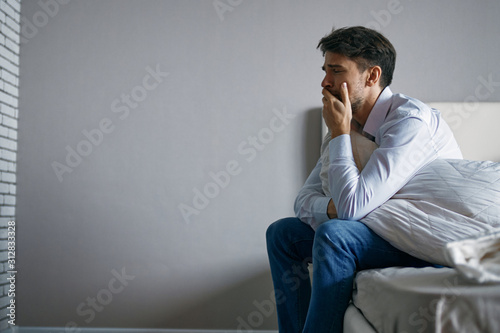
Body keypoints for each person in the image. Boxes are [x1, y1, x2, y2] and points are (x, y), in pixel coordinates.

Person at [266, 26, 463, 333]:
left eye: (336, 70)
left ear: (372, 76)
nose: (324, 82)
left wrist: (341, 134)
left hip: (427, 241)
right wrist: (335, 205)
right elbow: (303, 200)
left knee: (335, 234)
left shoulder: (409, 122)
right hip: (383, 232)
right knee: (282, 234)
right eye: (325, 70)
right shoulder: (347, 121)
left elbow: (352, 211)